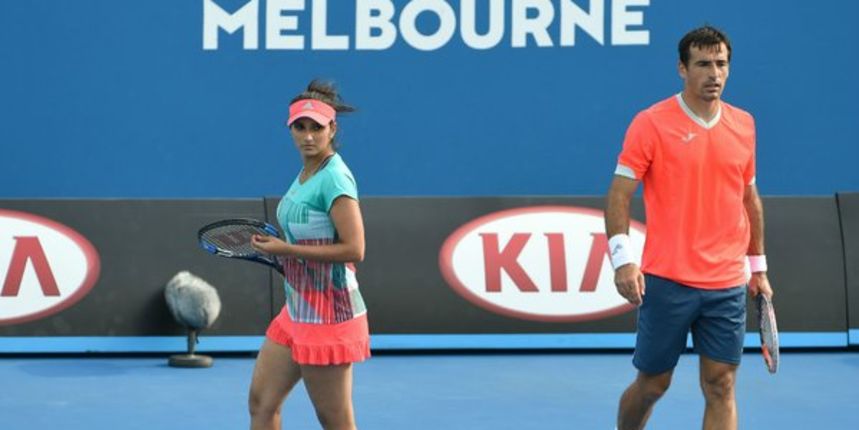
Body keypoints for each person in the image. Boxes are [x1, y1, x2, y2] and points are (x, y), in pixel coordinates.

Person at [605, 26, 773, 430]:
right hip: (668, 280)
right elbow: (618, 195)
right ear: (682, 69)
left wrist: (759, 269)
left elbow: (748, 198)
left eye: (721, 64)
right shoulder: (651, 123)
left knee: (721, 385)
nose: (713, 73)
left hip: (727, 282)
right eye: (703, 64)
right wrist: (623, 261)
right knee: (653, 384)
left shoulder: (744, 124)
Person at [248, 80, 369, 430]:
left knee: (334, 421)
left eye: (316, 128)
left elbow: (354, 249)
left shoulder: (335, 179)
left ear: (332, 128)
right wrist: (280, 247)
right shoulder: (306, 172)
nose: (308, 136)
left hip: (329, 315)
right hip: (297, 308)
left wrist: (287, 250)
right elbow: (311, 236)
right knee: (261, 404)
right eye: (300, 127)